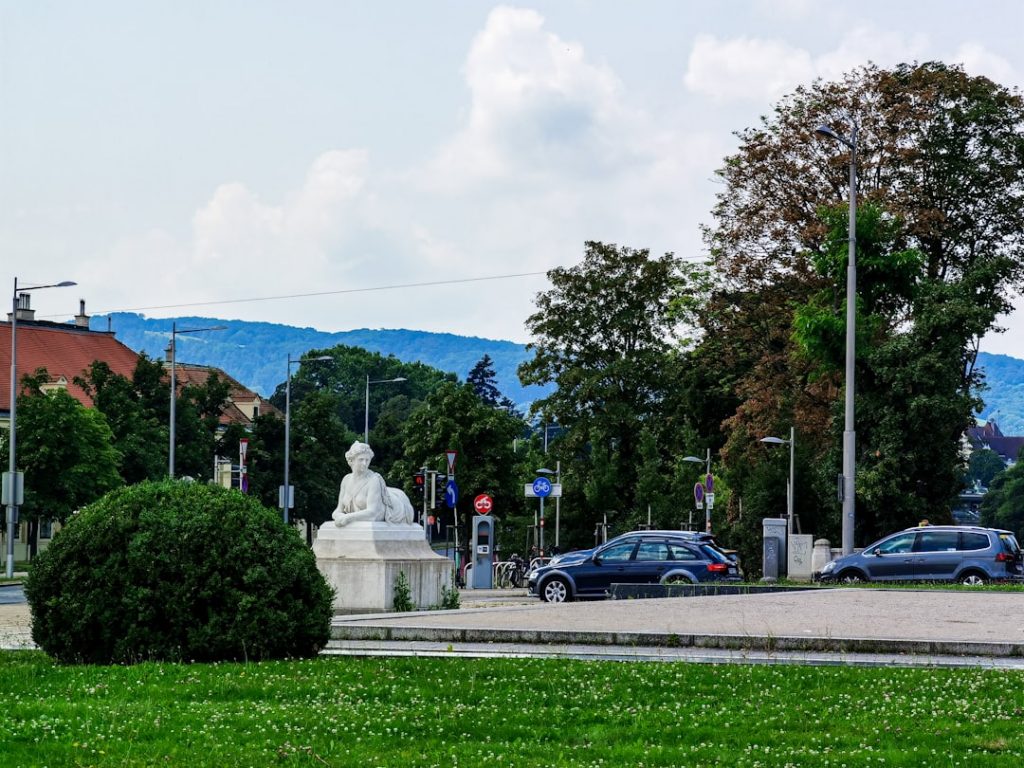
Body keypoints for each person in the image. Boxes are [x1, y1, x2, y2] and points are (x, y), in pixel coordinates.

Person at [331, 441, 414, 526]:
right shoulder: (346, 480)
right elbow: (338, 510)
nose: (364, 463)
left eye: (367, 460)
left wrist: (348, 518)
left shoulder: (373, 480)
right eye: (361, 459)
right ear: (351, 460)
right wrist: (339, 516)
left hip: (395, 510)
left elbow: (372, 513)